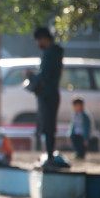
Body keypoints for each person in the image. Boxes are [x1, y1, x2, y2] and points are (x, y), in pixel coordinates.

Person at [25, 27, 63, 170]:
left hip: (47, 95)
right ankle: (49, 156)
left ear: (44, 39)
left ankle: (50, 158)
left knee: (48, 128)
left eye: (39, 40)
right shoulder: (56, 52)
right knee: (49, 127)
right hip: (52, 94)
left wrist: (30, 75)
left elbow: (43, 76)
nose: (38, 44)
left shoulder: (50, 53)